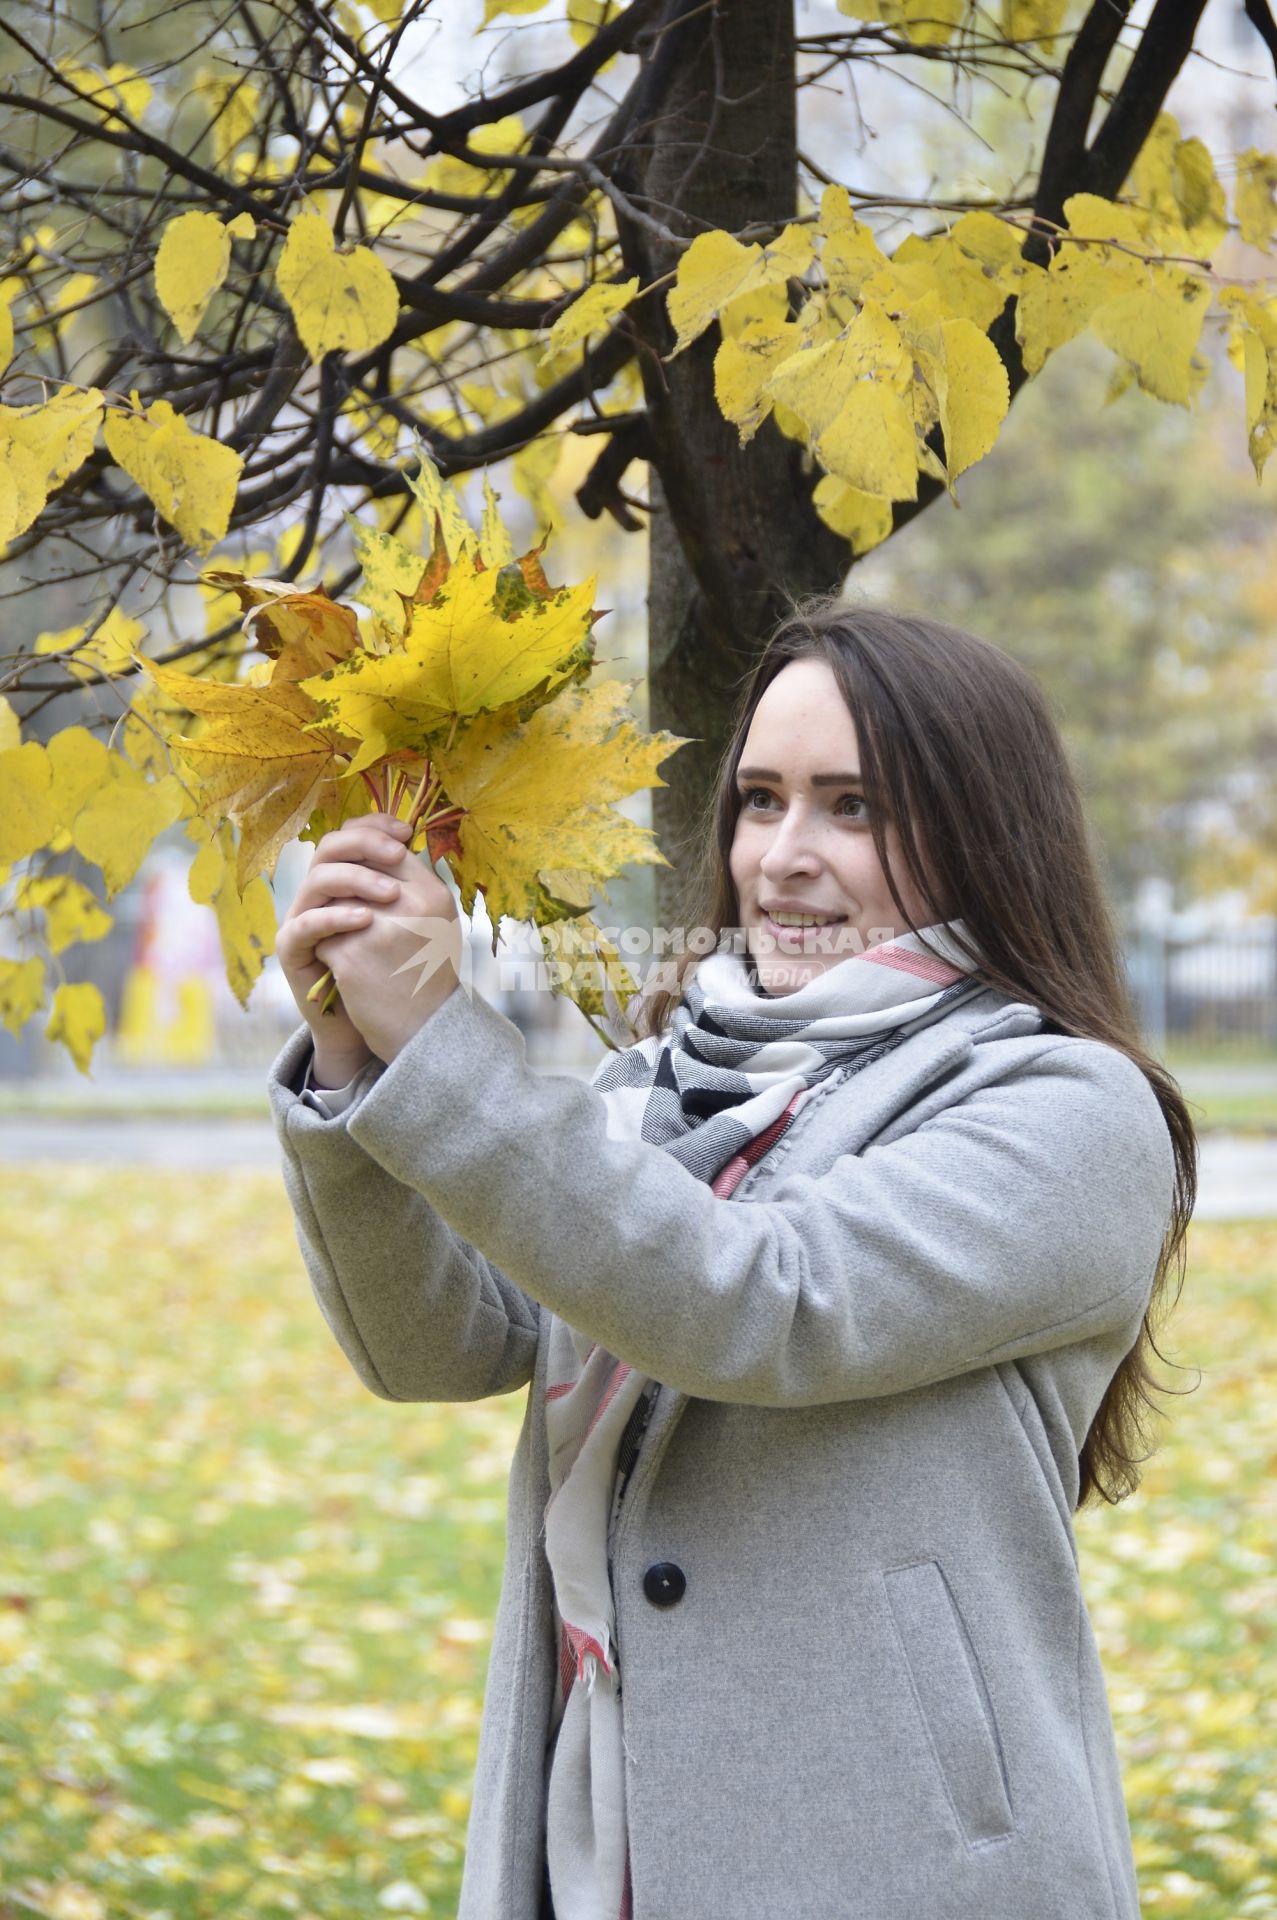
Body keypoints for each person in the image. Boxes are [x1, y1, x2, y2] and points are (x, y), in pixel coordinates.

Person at [268, 600, 1196, 1920]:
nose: (781, 858)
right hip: (606, 1827)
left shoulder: (1071, 1112)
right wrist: (358, 1073)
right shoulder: (661, 1084)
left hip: (904, 1858)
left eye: (852, 807)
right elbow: (435, 1345)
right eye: (758, 801)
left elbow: (760, 1303)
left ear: (987, 831)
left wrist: (442, 1048)